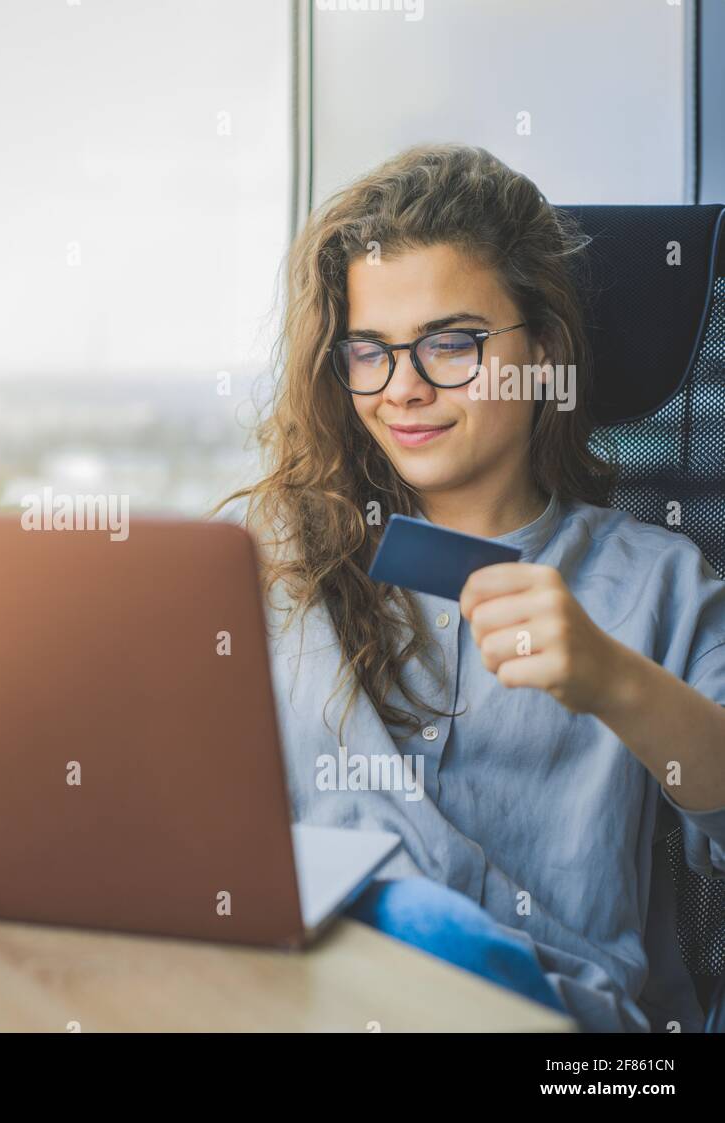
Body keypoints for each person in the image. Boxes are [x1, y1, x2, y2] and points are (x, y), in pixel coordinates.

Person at [226, 144, 725, 1032]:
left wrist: (617, 682)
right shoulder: (277, 561)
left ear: (542, 347)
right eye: (369, 351)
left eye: (450, 344)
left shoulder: (660, 581)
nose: (404, 389)